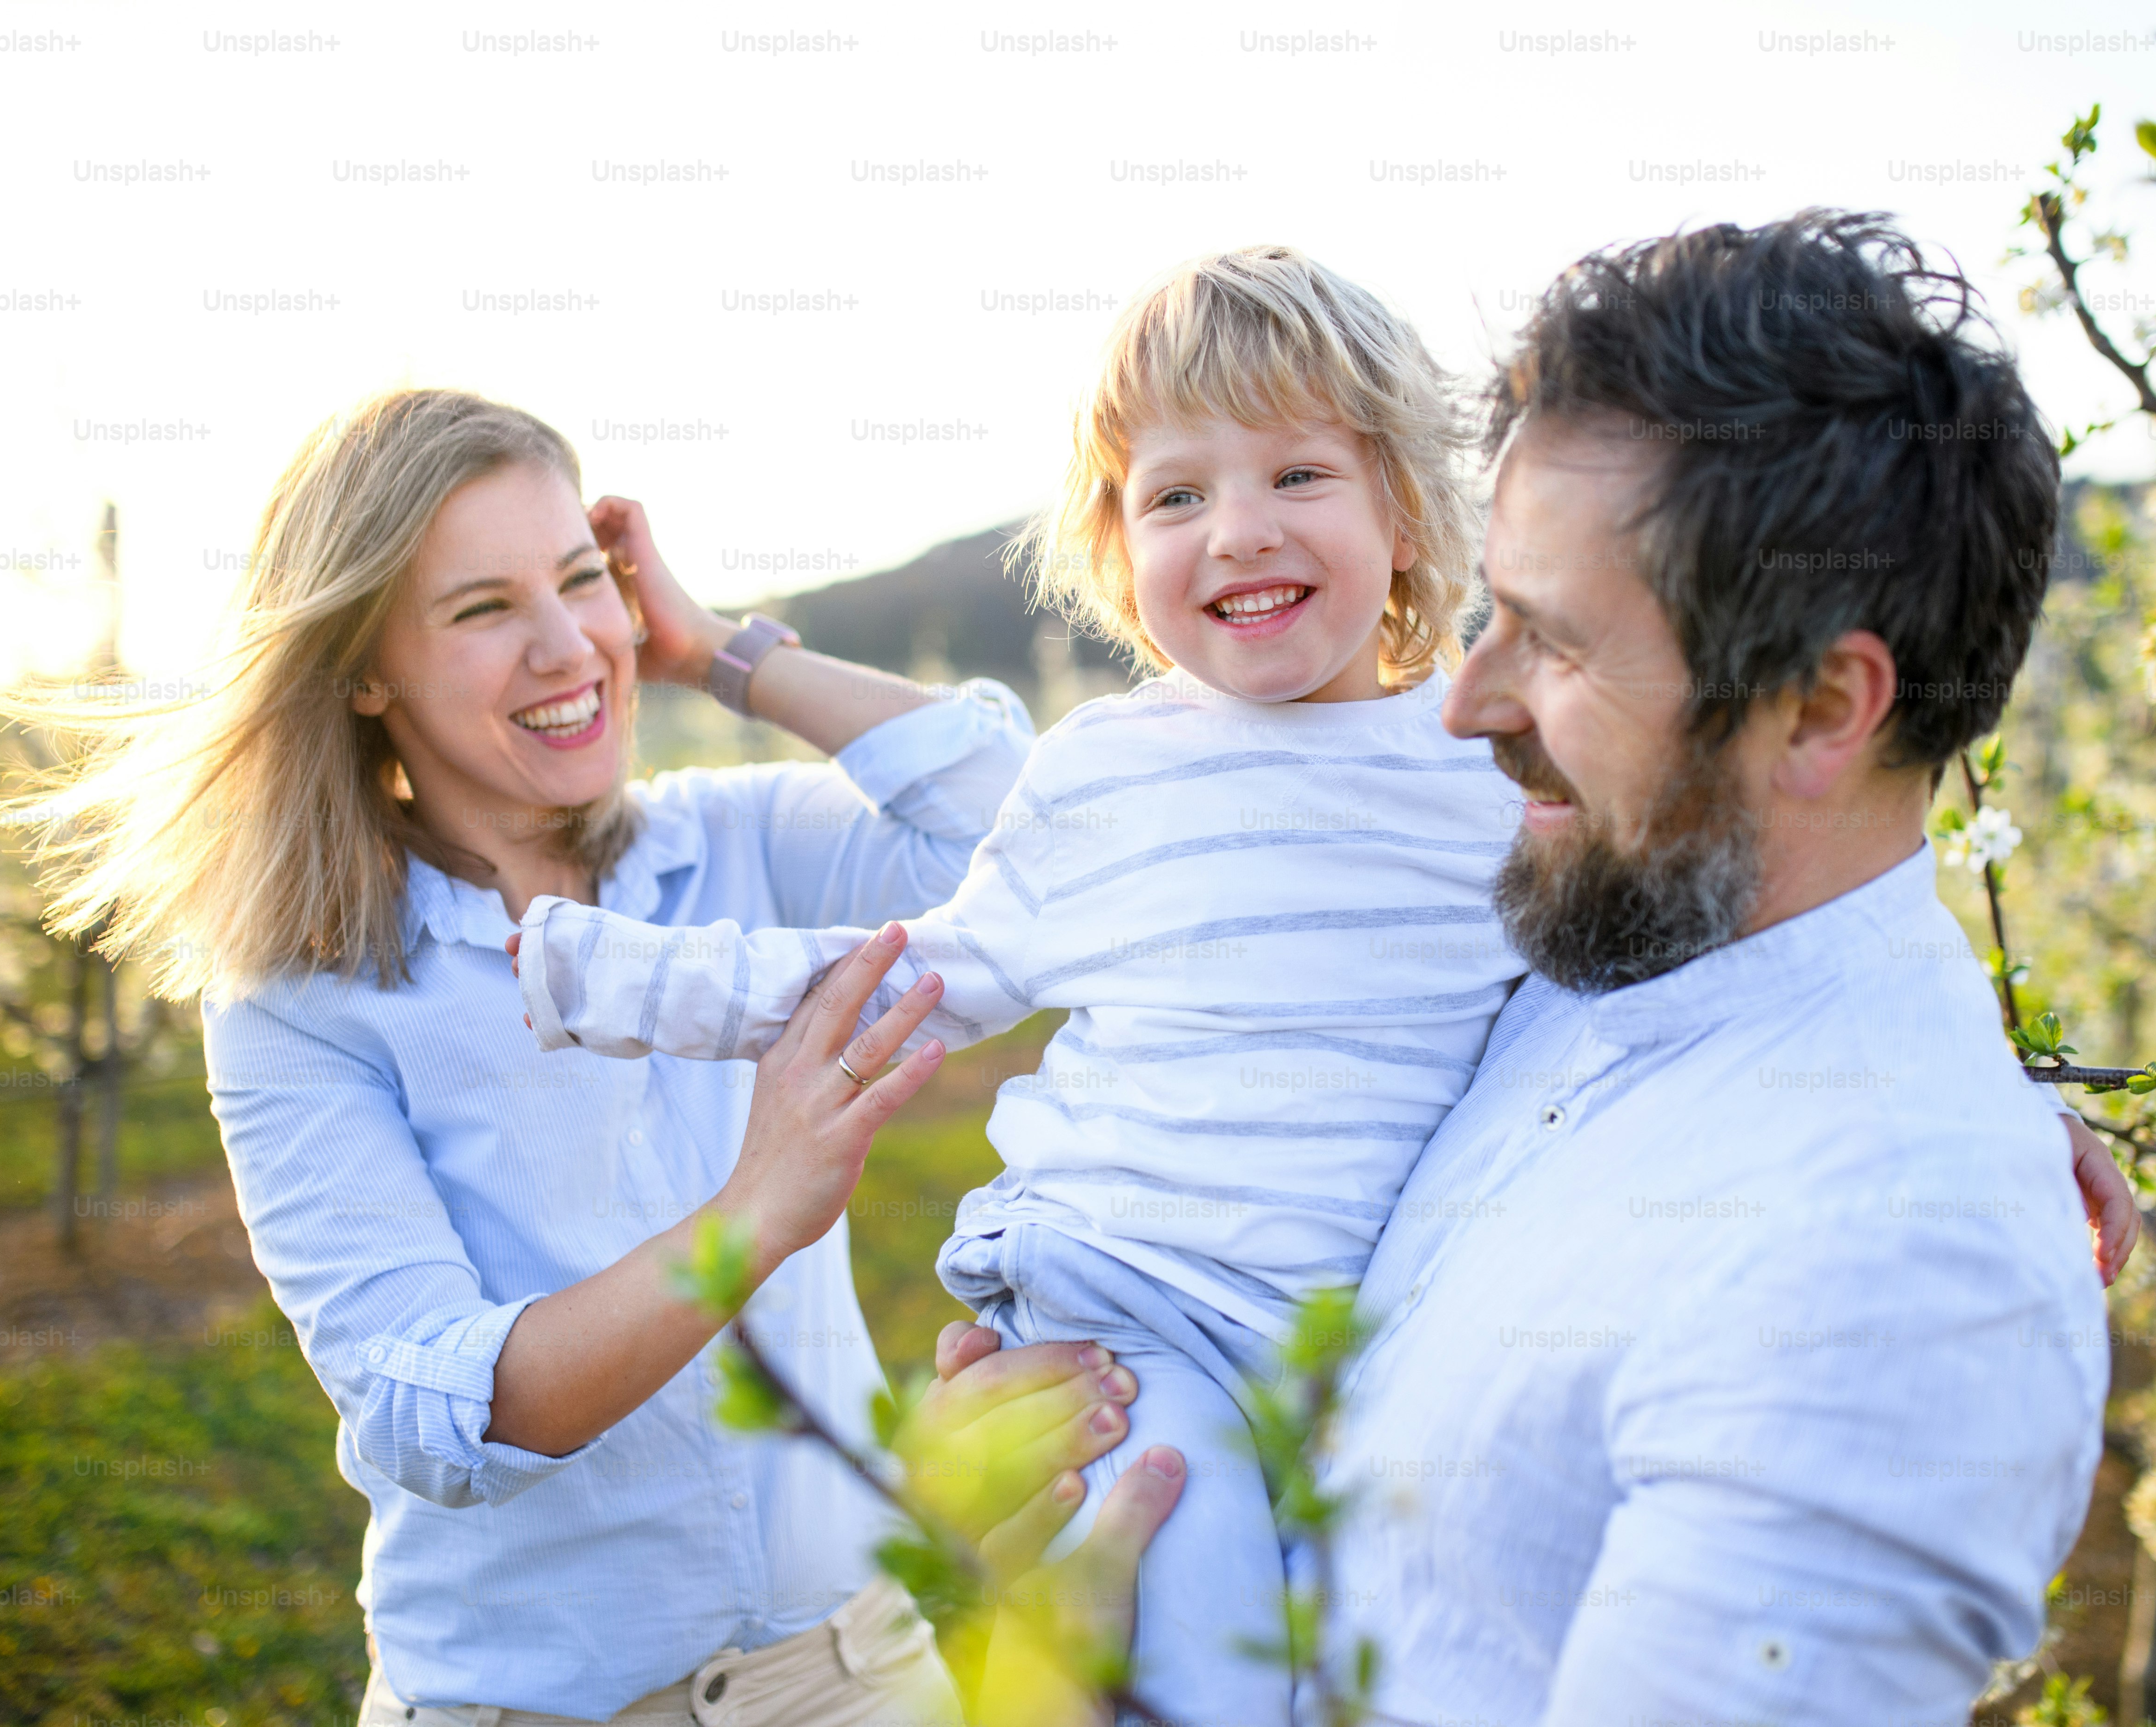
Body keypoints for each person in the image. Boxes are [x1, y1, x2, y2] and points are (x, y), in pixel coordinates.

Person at [0, 388, 1172, 1727]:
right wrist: (749, 1214)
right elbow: (437, 1412)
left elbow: (1030, 825)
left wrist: (718, 649)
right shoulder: (299, 998)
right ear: (364, 669)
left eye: (580, 583)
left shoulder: (739, 844)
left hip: (860, 1676)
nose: (569, 648)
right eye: (484, 609)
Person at [510, 246, 1511, 1726]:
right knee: (1200, 1645)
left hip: (1365, 1338)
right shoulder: (1112, 774)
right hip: (1144, 1326)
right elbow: (916, 976)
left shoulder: (1491, 771)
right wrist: (624, 975)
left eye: (1298, 476)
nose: (1236, 533)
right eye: (1177, 495)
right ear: (1118, 552)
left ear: (1409, 516)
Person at [1314, 210, 2123, 1722]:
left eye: (1550, 642)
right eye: (1485, 612)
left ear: (1823, 710)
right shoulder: (1597, 936)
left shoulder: (1897, 1270)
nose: (1465, 705)